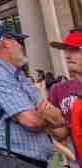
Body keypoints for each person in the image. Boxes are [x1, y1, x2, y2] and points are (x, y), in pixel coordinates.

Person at [0, 24, 62, 168]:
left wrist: (48, 116)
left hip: (29, 162)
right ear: (6, 42)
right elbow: (33, 121)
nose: (21, 46)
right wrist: (50, 118)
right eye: (17, 41)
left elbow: (59, 124)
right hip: (12, 161)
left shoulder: (17, 75)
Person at [46, 30, 82, 163]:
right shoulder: (59, 90)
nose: (67, 55)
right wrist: (49, 123)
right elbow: (62, 133)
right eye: (66, 50)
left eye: (74, 50)